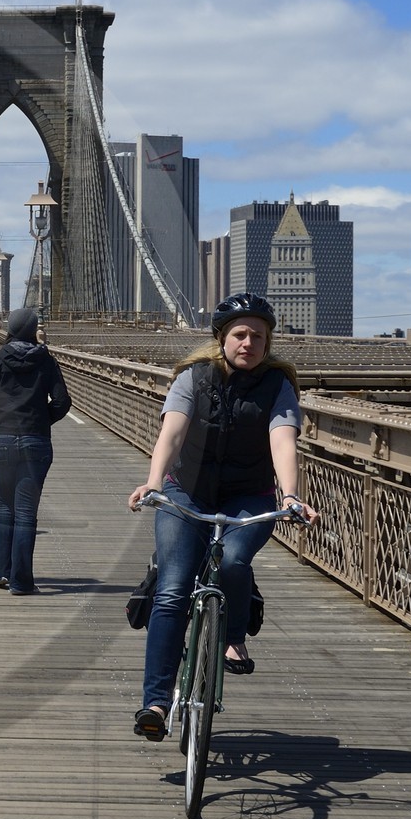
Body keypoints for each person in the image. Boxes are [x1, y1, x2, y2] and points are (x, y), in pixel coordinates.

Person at [127, 292, 320, 742]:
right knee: (173, 591)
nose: (248, 343)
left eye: (258, 336)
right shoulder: (194, 378)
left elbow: (282, 441)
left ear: (268, 342)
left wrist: (290, 495)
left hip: (248, 497)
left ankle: (233, 634)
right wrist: (154, 481)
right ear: (221, 338)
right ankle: (155, 702)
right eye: (239, 334)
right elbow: (172, 432)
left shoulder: (278, 387)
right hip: (185, 493)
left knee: (233, 561)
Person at [0, 308, 71, 595]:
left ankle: (0, 573)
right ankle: (21, 581)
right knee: (26, 512)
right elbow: (63, 401)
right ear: (31, 331)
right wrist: (42, 418)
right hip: (35, 441)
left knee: (4, 506)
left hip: (1, 440)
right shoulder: (46, 361)